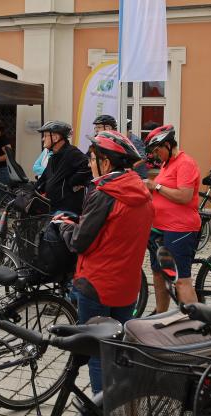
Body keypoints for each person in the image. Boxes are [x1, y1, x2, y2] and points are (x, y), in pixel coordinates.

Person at [55, 130, 152, 395]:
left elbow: (79, 242)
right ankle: (123, 407)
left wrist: (64, 227)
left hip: (97, 284)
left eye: (92, 158)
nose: (88, 164)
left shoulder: (105, 193)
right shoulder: (141, 191)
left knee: (98, 353)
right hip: (127, 286)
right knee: (119, 348)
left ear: (106, 163)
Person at [143, 125, 202, 311]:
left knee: (181, 280)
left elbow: (184, 196)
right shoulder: (167, 164)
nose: (155, 154)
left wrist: (156, 187)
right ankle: (161, 316)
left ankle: (194, 328)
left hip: (179, 229)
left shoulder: (185, 163)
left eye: (157, 150)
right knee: (159, 275)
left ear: (168, 145)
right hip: (159, 228)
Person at [35, 121, 90, 214]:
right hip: (53, 207)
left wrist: (72, 181)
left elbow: (88, 166)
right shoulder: (54, 157)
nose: (43, 139)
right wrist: (33, 190)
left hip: (66, 210)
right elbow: (45, 177)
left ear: (56, 138)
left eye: (45, 135)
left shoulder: (71, 153)